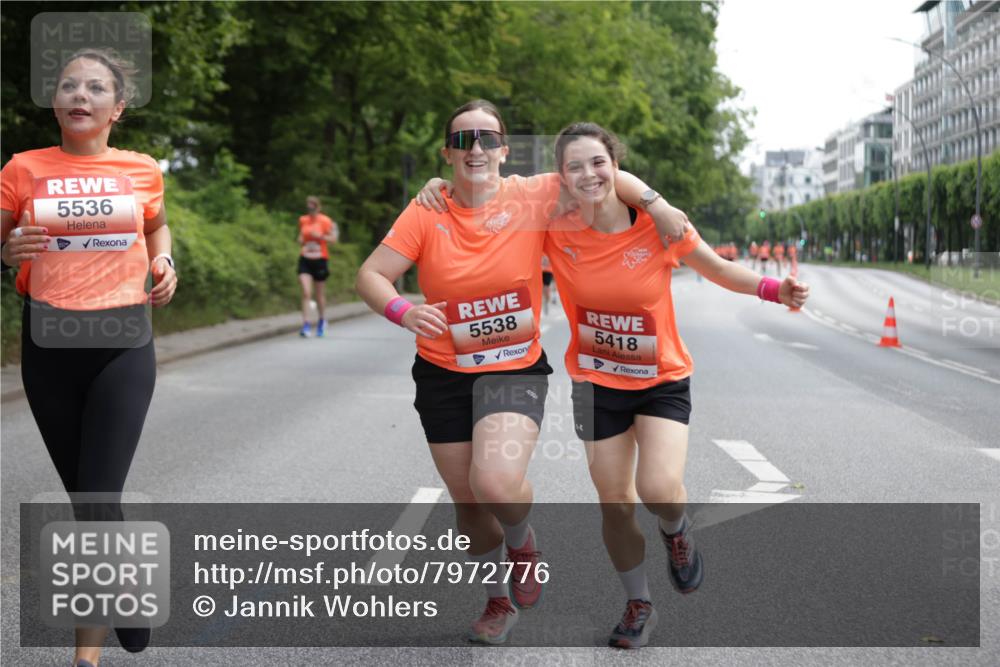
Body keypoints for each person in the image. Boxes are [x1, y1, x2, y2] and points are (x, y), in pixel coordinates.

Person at [359, 100, 689, 645]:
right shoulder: (428, 209)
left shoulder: (533, 194)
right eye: (463, 141)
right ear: (448, 153)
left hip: (513, 368)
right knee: (467, 499)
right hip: (442, 370)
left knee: (493, 482)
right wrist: (403, 310)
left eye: (488, 139)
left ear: (505, 151)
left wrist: (656, 204)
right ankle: (497, 601)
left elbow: (603, 173)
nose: (477, 149)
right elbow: (372, 274)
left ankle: (520, 537)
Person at [543, 122, 809, 649]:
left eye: (598, 162)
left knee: (659, 490)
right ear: (561, 178)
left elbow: (716, 269)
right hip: (596, 382)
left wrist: (775, 288)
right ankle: (638, 603)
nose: (588, 174)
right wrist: (439, 189)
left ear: (616, 167)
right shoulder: (554, 227)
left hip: (660, 379)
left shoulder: (658, 227)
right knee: (613, 502)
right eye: (574, 166)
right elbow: (492, 203)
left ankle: (676, 530)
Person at [0, 48, 177, 666]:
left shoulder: (142, 169)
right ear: (55, 100)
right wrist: (9, 248)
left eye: (95, 88)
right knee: (89, 503)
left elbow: (155, 226)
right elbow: (1, 240)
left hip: (123, 341)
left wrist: (165, 259)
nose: (80, 95)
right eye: (69, 85)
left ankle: (86, 659)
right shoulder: (23, 169)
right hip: (49, 343)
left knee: (97, 499)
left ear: (117, 107)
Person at [297, 195, 338, 337]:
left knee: (319, 294)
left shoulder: (325, 221)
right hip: (305, 258)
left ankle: (321, 320)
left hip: (320, 259)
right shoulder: (303, 220)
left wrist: (320, 236)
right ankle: (306, 324)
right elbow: (301, 238)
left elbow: (333, 239)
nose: (310, 210)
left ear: (318, 207)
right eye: (308, 207)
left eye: (313, 207)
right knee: (306, 292)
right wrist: (301, 240)